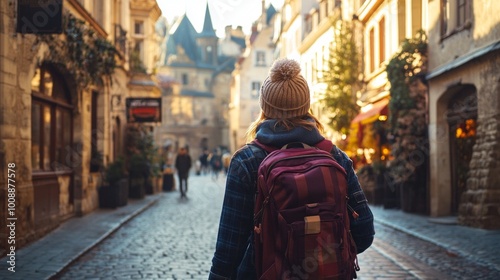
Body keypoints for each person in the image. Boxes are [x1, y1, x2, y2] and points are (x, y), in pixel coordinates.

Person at [209, 58, 375, 279]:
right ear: (306, 106)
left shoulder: (246, 161)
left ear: (265, 107)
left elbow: (229, 249)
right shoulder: (335, 157)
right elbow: (364, 231)